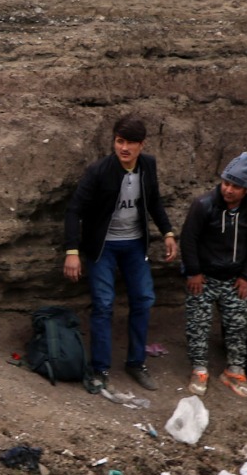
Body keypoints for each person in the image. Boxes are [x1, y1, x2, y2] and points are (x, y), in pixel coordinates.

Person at [62, 116, 178, 392]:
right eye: (119, 141)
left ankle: (136, 362)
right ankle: (100, 368)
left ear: (142, 145)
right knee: (103, 303)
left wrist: (168, 232)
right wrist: (72, 251)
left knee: (144, 298)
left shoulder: (147, 166)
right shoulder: (99, 171)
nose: (124, 148)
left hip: (135, 244)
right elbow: (74, 210)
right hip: (103, 247)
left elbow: (154, 202)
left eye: (130, 143)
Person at [178, 152, 247, 398]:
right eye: (226, 183)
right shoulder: (204, 205)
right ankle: (199, 368)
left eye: (235, 186)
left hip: (234, 277)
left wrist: (246, 276)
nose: (228, 189)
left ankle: (234, 370)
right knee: (198, 323)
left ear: (246, 189)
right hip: (204, 276)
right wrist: (193, 272)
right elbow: (189, 239)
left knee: (238, 324)